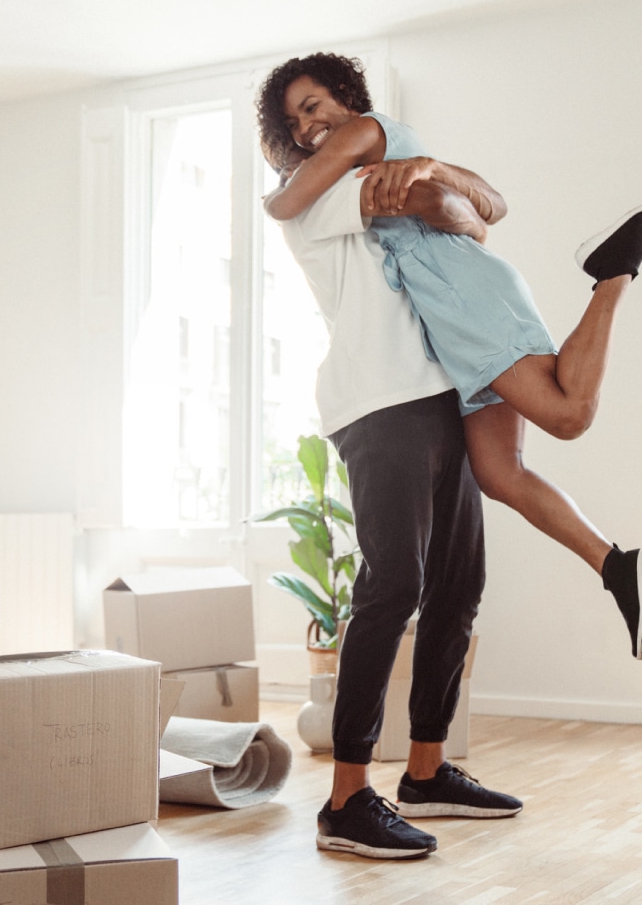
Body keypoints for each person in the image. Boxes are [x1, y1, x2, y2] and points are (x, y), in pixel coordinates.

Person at [258, 53, 642, 662]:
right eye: (291, 124)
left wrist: (425, 182)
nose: (303, 130)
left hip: (464, 299)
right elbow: (478, 215)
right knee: (499, 474)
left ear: (345, 96)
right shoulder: (375, 163)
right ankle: (615, 566)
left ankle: (613, 271)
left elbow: (287, 205)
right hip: (446, 329)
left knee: (569, 414)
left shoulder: (364, 133)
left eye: (311, 106)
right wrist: (446, 191)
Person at [262, 142, 523, 860]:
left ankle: (428, 772)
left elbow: (483, 212)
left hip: (442, 397)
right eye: (302, 117)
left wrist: (438, 175)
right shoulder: (315, 200)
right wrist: (435, 182)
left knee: (458, 586)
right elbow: (461, 211)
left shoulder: (382, 189)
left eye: (329, 108)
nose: (319, 129)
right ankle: (346, 798)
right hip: (379, 405)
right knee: (393, 587)